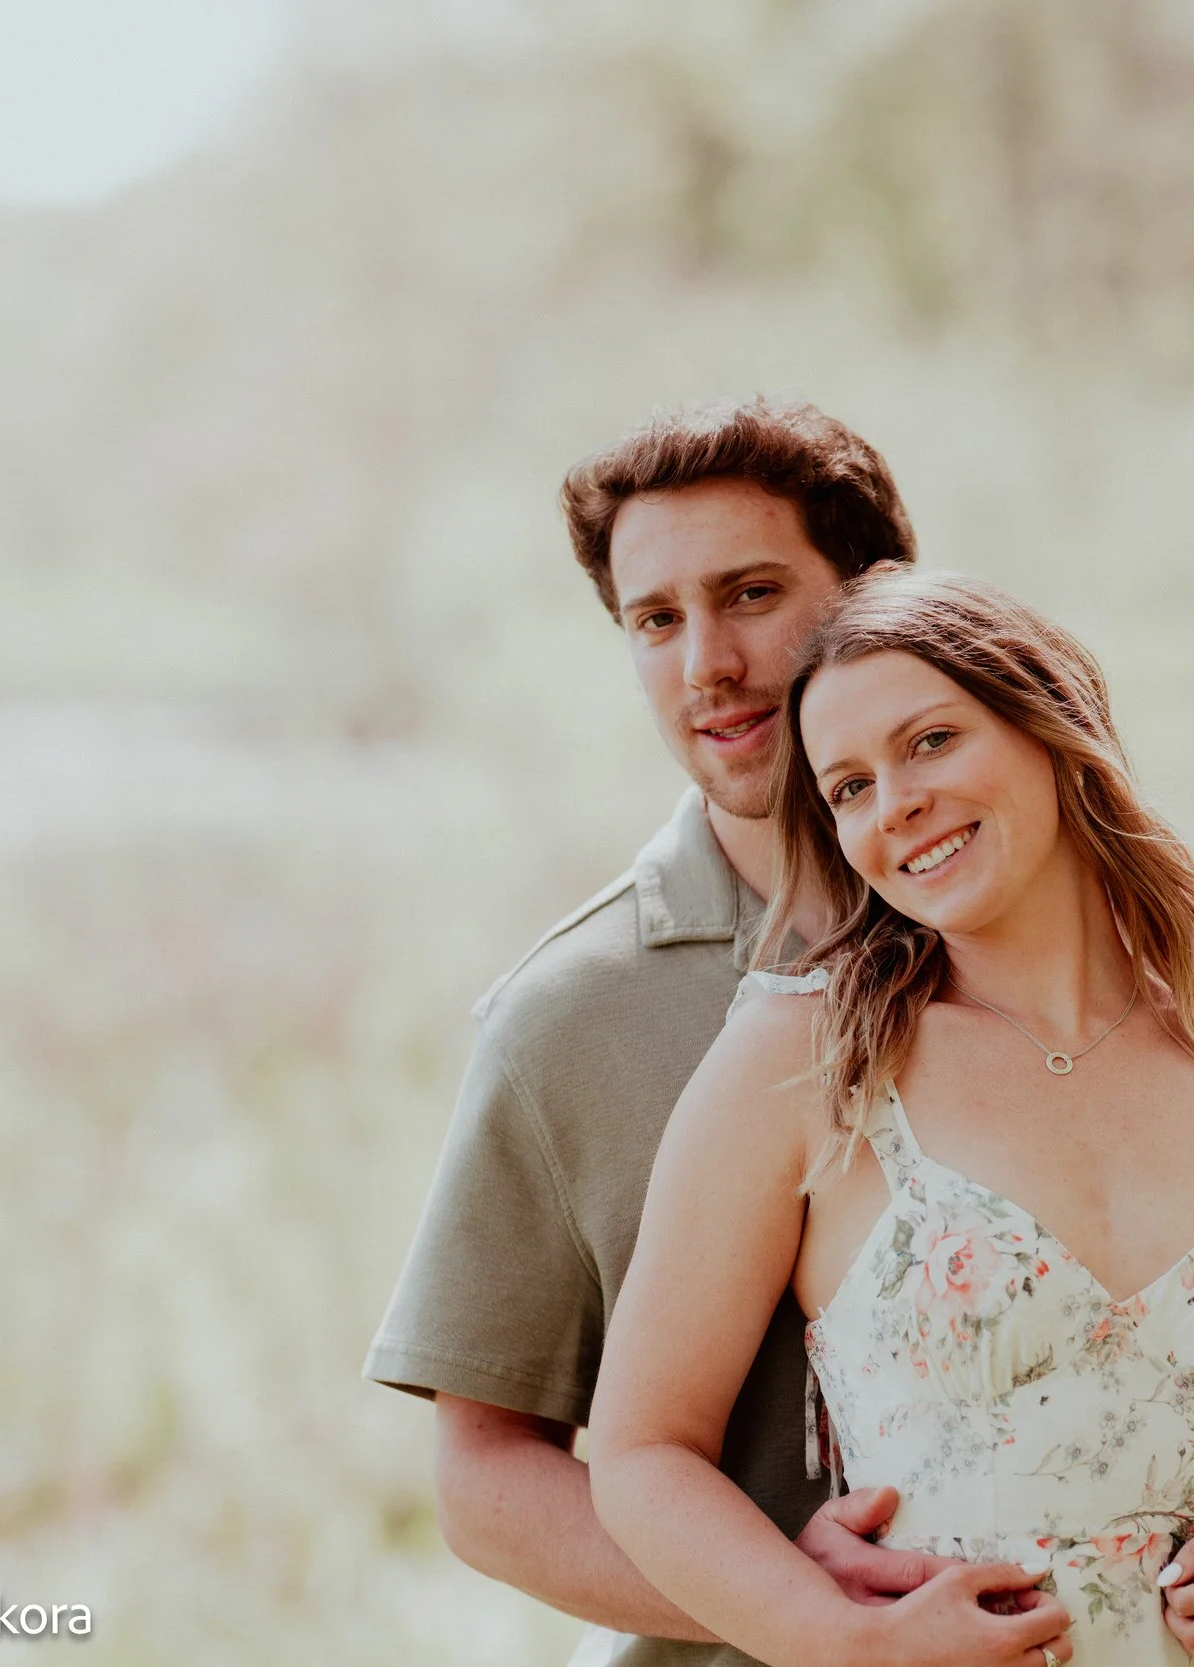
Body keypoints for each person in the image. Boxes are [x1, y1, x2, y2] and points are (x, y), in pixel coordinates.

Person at [589, 572, 1194, 1667]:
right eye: (848, 787)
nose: (893, 803)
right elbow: (641, 1451)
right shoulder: (807, 1063)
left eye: (930, 741)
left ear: (1053, 727)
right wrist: (847, 1638)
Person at [363, 397, 948, 1667]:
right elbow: (482, 1477)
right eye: (655, 620)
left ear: (878, 596)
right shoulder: (568, 1015)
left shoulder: (1047, 947)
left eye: (748, 594)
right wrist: (793, 1603)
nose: (705, 666)